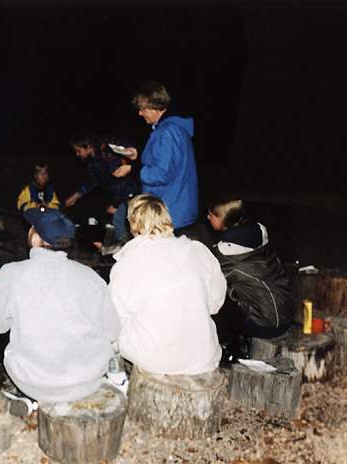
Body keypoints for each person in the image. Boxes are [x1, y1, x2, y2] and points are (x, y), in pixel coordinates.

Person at [0, 209, 122, 404]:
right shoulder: (90, 276)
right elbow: (112, 331)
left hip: (34, 383)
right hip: (87, 381)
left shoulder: (13, 273)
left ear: (36, 239)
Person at [110, 194, 226, 376]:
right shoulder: (198, 251)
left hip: (154, 360)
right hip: (203, 357)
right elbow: (215, 304)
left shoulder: (127, 264)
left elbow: (113, 318)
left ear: (132, 222)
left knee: (113, 322)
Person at [114, 82, 204, 241]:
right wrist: (137, 157)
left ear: (155, 106)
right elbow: (165, 162)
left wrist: (132, 169)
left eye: (143, 109)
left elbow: (161, 174)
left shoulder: (167, 132)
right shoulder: (172, 129)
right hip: (176, 205)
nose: (140, 113)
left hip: (171, 211)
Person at [206, 200, 295, 360]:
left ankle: (232, 349)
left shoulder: (224, 253)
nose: (207, 217)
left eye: (211, 215)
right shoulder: (259, 232)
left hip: (265, 324)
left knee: (215, 296)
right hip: (287, 311)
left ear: (222, 219)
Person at [65, 132, 140, 244]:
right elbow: (92, 180)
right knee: (119, 221)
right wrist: (76, 195)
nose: (77, 154)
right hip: (121, 195)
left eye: (79, 150)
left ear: (88, 146)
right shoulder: (93, 160)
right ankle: (125, 245)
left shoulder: (106, 152)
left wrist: (116, 204)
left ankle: (132, 247)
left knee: (131, 221)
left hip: (132, 192)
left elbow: (120, 180)